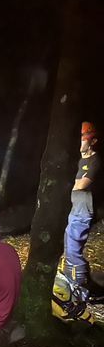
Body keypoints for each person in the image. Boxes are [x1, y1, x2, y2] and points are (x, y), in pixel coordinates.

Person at [61, 122, 100, 290]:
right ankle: (81, 282)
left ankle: (78, 288)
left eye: (84, 139)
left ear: (93, 141)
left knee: (73, 250)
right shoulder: (80, 161)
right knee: (69, 246)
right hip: (75, 209)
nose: (80, 143)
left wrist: (74, 183)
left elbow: (82, 184)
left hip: (83, 211)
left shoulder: (94, 160)